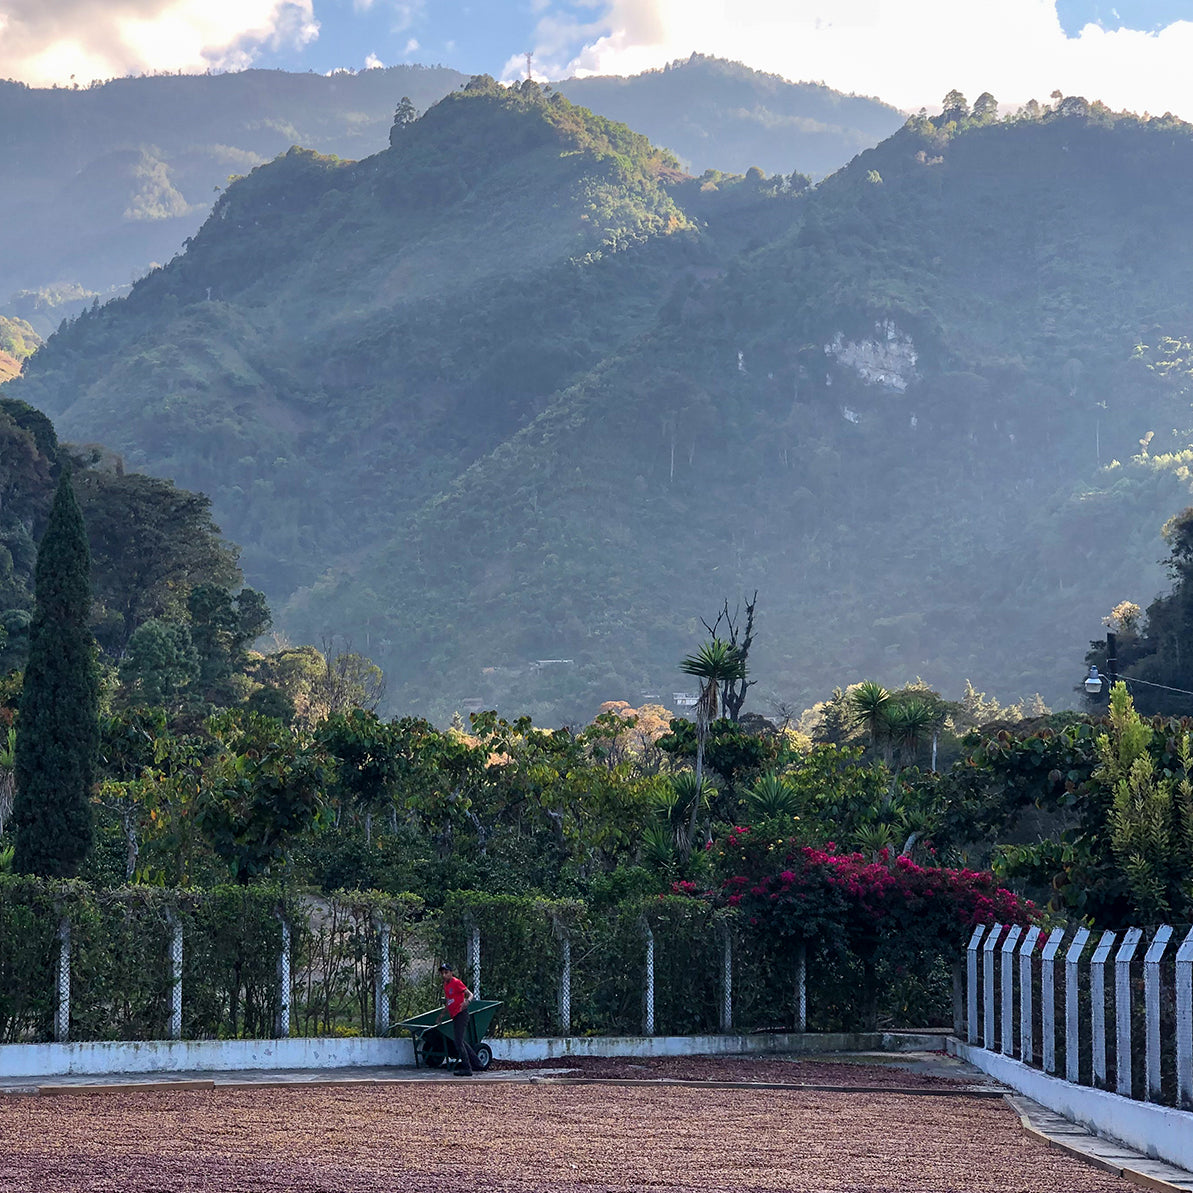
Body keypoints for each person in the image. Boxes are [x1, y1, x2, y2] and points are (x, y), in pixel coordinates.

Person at [435, 961, 483, 1076]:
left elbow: (470, 994)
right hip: (454, 1015)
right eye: (442, 973)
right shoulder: (446, 986)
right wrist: (442, 1014)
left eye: (446, 972)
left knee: (458, 1041)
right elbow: (449, 1001)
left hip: (461, 1014)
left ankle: (467, 1068)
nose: (444, 975)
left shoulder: (456, 982)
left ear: (451, 973)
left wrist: (467, 1001)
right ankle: (477, 1063)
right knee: (461, 1041)